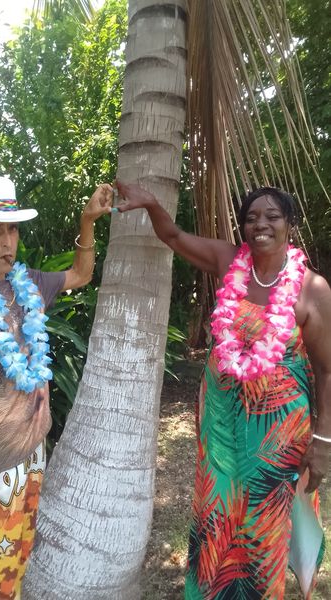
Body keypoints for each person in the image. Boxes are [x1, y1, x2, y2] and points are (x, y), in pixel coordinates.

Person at [115, 181, 331, 599]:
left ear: (290, 224)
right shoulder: (228, 260)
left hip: (277, 434)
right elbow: (174, 237)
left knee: (262, 523)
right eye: (251, 218)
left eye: (272, 216)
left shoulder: (312, 288)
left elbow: (327, 370)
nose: (260, 225)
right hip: (221, 422)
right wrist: (152, 205)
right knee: (218, 513)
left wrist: (323, 441)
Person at [0, 175, 113, 600]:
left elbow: (82, 274)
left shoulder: (29, 285)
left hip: (31, 457)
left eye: (12, 228)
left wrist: (87, 221)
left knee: (16, 565)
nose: (7, 240)